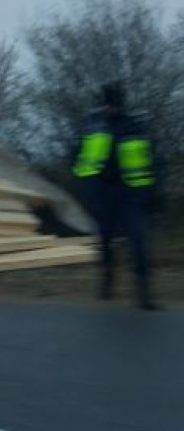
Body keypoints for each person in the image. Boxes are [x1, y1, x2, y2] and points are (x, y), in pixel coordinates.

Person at [72, 81, 160, 310]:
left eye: (115, 104)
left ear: (121, 104)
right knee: (105, 241)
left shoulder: (134, 127)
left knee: (138, 241)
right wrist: (88, 189)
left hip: (131, 194)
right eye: (108, 104)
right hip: (104, 194)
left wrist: (150, 192)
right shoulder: (94, 128)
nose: (111, 108)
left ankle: (143, 293)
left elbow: (153, 160)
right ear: (103, 104)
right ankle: (107, 278)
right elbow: (79, 160)